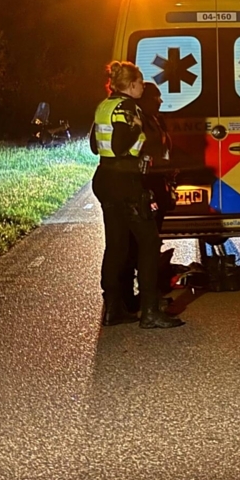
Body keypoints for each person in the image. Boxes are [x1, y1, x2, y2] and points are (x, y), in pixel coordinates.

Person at [90, 61, 184, 329]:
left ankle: (113, 308)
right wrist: (138, 131)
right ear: (131, 85)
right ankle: (150, 311)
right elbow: (121, 145)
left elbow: (95, 146)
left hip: (106, 178)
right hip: (127, 181)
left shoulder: (104, 106)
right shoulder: (129, 107)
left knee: (117, 246)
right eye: (141, 83)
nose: (143, 87)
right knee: (149, 243)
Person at [121, 82, 176, 313]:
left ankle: (147, 295)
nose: (160, 101)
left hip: (158, 184)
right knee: (142, 245)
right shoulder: (138, 120)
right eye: (156, 97)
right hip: (145, 187)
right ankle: (141, 298)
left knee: (152, 242)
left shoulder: (155, 119)